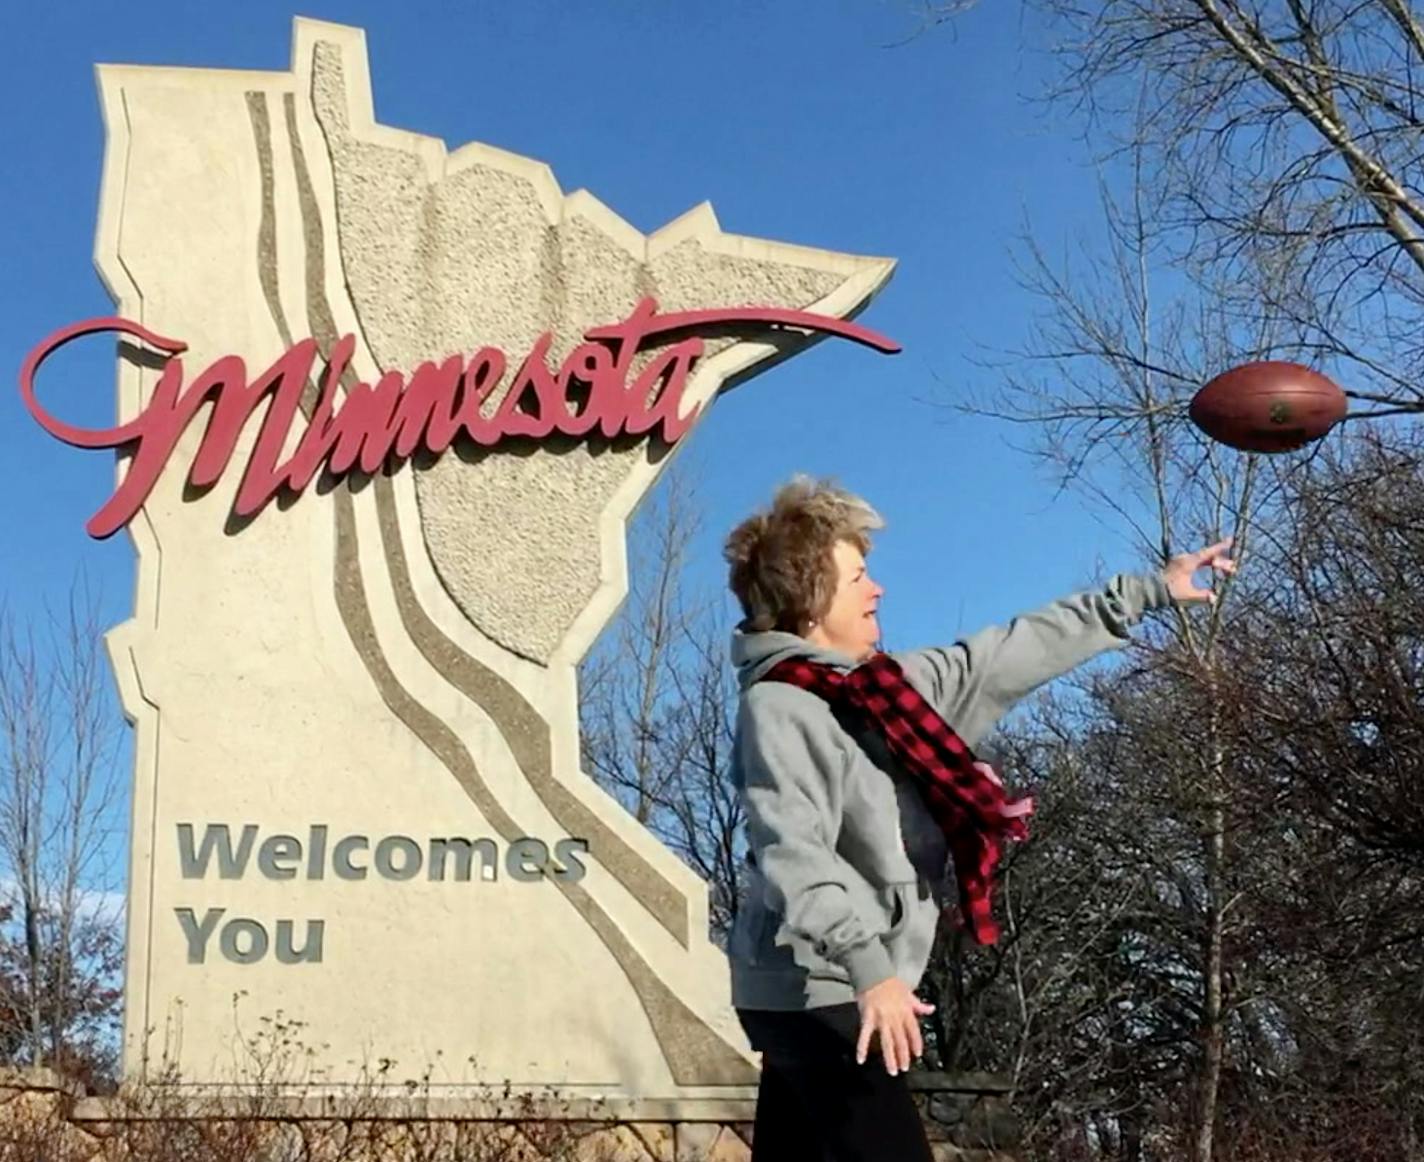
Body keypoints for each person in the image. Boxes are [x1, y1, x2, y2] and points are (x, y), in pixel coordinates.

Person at [723, 477, 1234, 1161]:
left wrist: (1146, 592)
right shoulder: (781, 708)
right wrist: (872, 972)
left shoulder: (893, 693)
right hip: (815, 988)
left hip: (847, 985)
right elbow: (794, 853)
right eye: (858, 577)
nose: (877, 590)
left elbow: (1008, 654)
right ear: (812, 605)